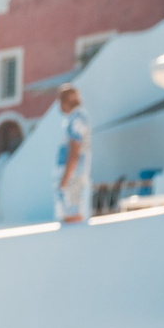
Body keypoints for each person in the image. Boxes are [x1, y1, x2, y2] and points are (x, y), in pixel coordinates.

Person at [55, 83, 92, 223]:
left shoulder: (77, 119)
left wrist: (64, 180)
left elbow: (74, 152)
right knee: (70, 217)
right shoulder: (76, 117)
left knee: (72, 218)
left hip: (73, 177)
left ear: (65, 102)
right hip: (73, 176)